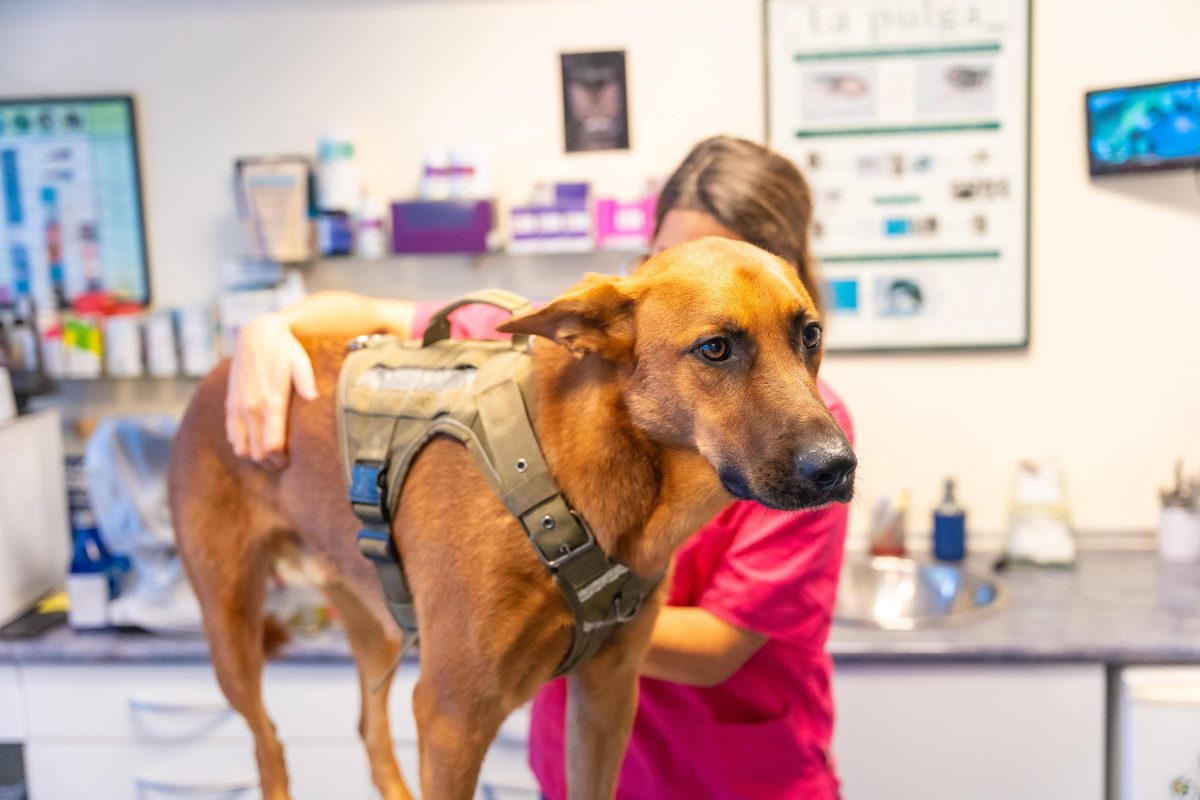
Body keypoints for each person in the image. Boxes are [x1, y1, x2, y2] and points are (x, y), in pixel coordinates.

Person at [225, 135, 853, 799]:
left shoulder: (812, 444)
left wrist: (523, 611)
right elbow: (372, 313)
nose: (712, 273)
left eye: (743, 265)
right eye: (682, 261)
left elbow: (722, 646)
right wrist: (267, 330)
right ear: (647, 264)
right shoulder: (550, 353)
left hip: (732, 775)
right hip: (575, 768)